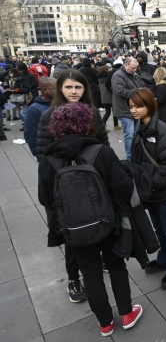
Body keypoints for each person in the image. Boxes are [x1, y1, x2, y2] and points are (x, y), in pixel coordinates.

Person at [37, 102, 143, 336]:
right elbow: (124, 187)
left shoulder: (48, 161)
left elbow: (45, 199)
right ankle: (127, 313)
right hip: (108, 223)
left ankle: (105, 323)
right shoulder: (100, 152)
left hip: (73, 229)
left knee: (90, 273)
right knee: (115, 265)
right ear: (88, 124)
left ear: (55, 127)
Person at [129, 88, 166, 289]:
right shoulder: (142, 127)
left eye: (138, 106)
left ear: (149, 106)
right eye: (131, 107)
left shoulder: (162, 130)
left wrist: (151, 184)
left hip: (163, 193)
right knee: (160, 229)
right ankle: (164, 259)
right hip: (150, 193)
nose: (134, 110)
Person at [111, 57, 144, 160]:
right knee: (129, 135)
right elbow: (120, 91)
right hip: (124, 109)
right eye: (133, 68)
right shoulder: (118, 75)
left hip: (134, 108)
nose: (135, 70)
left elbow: (141, 85)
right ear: (126, 65)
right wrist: (137, 92)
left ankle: (135, 154)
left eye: (136, 68)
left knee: (135, 134)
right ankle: (130, 156)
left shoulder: (133, 74)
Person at [24, 77, 56, 159]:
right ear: (45, 90)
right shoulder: (34, 109)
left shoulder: (61, 103)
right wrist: (40, 156)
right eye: (56, 88)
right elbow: (30, 135)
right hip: (48, 156)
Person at [97, 65, 119, 133]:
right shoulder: (109, 77)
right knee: (114, 111)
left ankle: (103, 125)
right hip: (111, 95)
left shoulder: (99, 78)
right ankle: (116, 125)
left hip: (103, 96)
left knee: (107, 112)